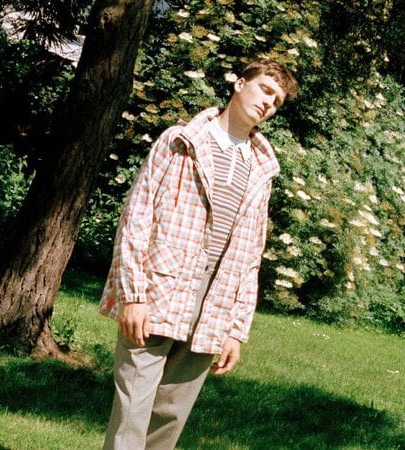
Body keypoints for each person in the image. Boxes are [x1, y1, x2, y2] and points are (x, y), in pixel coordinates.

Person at [99, 58, 298, 450]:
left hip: (214, 302)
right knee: (132, 412)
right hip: (159, 286)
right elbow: (136, 217)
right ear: (240, 84)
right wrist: (133, 295)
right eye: (264, 90)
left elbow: (251, 254)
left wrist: (236, 329)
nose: (268, 103)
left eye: (276, 101)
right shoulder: (180, 141)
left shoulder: (261, 167)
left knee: (170, 415)